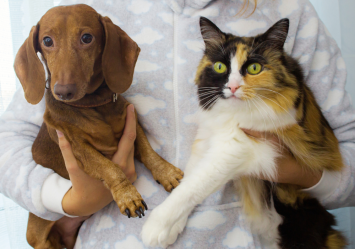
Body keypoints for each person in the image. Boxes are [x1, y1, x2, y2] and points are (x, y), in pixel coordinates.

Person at [1, 0, 355, 248]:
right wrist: (67, 199)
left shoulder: (289, 12)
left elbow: (349, 160)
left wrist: (296, 171)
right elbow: (9, 143)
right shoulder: (83, 16)